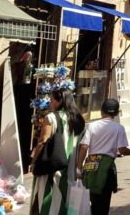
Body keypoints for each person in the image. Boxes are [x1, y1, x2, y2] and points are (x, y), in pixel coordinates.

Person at [32, 87, 86, 215]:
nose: (50, 103)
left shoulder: (51, 118)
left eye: (52, 100)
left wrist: (34, 160)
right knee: (66, 204)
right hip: (70, 169)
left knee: (47, 201)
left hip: (52, 168)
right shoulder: (79, 120)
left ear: (60, 101)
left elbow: (43, 141)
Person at [76, 98, 130, 215]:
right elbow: (122, 150)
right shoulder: (119, 128)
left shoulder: (92, 126)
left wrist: (79, 167)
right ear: (117, 113)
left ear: (101, 111)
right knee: (104, 203)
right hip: (107, 169)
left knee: (92, 200)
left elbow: (84, 147)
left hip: (91, 167)